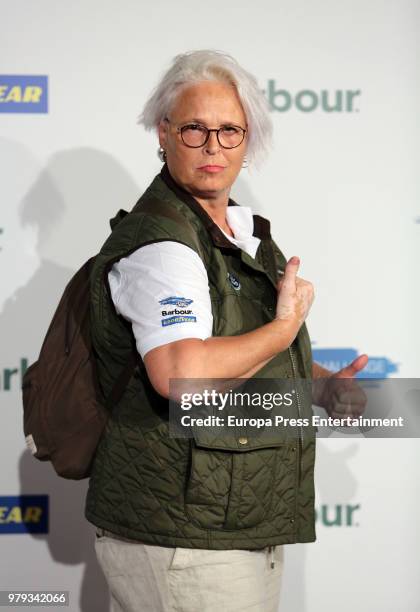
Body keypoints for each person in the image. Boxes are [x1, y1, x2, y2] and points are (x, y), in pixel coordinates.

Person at [85, 50, 368, 612]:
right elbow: (182, 373)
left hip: (223, 525)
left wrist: (317, 385)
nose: (213, 146)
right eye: (194, 129)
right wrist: (285, 329)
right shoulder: (164, 245)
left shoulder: (236, 229)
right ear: (163, 133)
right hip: (186, 537)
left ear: (248, 140)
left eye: (229, 131)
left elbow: (238, 356)